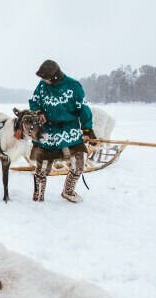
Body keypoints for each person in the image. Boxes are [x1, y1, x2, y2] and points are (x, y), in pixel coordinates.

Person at [28, 60, 96, 203]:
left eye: (45, 77)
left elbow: (83, 108)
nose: (42, 80)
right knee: (42, 167)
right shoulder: (42, 86)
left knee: (79, 163)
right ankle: (39, 196)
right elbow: (33, 101)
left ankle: (68, 191)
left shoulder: (73, 86)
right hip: (48, 129)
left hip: (68, 128)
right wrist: (39, 111)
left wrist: (87, 129)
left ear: (55, 76)